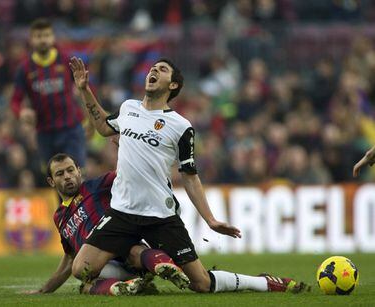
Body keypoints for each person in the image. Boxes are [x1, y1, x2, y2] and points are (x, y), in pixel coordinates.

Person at [69, 57, 309, 294]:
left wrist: (210, 219)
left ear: (173, 85)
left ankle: (263, 282)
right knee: (82, 269)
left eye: (162, 70)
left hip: (159, 215)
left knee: (201, 284)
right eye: (153, 68)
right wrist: (84, 89)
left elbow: (190, 176)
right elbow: (102, 127)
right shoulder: (128, 108)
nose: (154, 71)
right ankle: (147, 265)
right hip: (122, 211)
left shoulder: (181, 126)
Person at [24, 153, 190, 295]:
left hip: (126, 252)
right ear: (51, 181)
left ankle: (160, 265)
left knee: (131, 250)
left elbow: (124, 173)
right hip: (104, 266)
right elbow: (70, 258)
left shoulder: (96, 186)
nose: (67, 176)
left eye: (70, 170)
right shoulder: (59, 217)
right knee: (86, 282)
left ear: (79, 171)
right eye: (60, 174)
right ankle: (125, 286)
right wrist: (44, 290)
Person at [10, 18, 87, 168]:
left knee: (76, 174)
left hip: (71, 128)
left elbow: (86, 88)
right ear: (31, 40)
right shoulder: (24, 69)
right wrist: (21, 112)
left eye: (46, 35)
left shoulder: (66, 60)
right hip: (45, 132)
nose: (43, 40)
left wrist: (89, 119)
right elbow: (15, 100)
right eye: (38, 36)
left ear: (52, 37)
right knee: (55, 178)